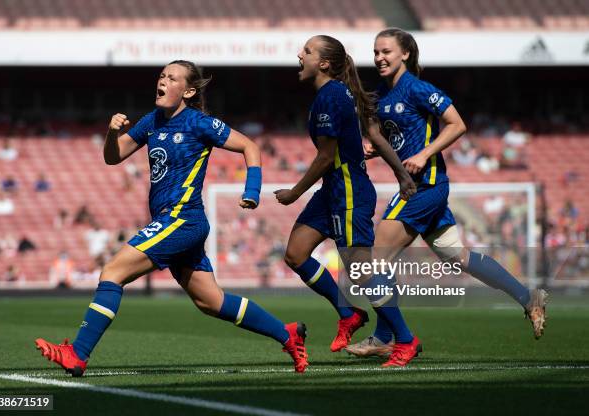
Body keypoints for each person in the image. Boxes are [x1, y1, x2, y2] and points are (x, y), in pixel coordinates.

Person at [35, 60, 308, 376]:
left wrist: (253, 188)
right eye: (162, 75)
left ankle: (78, 354)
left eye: (171, 77)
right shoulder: (151, 121)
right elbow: (114, 157)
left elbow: (249, 146)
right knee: (211, 302)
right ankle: (286, 334)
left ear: (188, 91)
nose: (162, 80)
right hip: (175, 221)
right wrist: (112, 134)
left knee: (113, 270)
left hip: (183, 219)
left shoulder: (197, 122)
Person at [345, 28, 548, 362]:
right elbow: (398, 141)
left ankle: (386, 337)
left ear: (405, 54)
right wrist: (375, 149)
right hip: (419, 185)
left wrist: (425, 154)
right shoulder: (382, 95)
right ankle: (529, 298)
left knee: (374, 256)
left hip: (425, 185)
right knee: (458, 256)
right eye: (376, 52)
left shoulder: (418, 89)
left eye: (386, 52)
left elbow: (457, 124)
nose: (379, 58)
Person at [274, 35, 416, 361]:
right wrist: (401, 174)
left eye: (307, 51)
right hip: (333, 190)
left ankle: (404, 340)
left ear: (324, 63)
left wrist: (295, 192)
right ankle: (349, 314)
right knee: (296, 254)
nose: (299, 54)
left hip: (348, 191)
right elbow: (373, 136)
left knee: (361, 271)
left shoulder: (331, 97)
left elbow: (326, 157)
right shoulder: (337, 94)